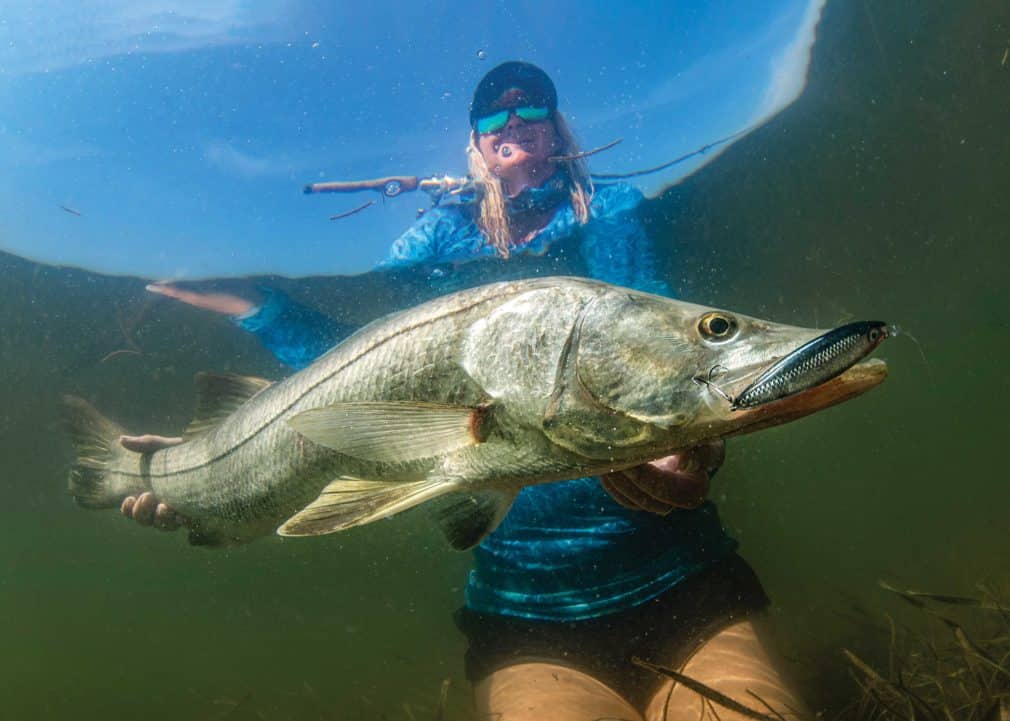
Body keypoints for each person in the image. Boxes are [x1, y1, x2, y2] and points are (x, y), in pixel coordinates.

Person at [122, 62, 808, 720]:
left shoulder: (610, 211)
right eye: (496, 114)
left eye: (535, 108)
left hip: (683, 576)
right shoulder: (430, 243)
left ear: (558, 129)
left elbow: (667, 355)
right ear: (475, 140)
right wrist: (224, 434)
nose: (517, 123)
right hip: (525, 608)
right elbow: (368, 372)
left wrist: (700, 448)